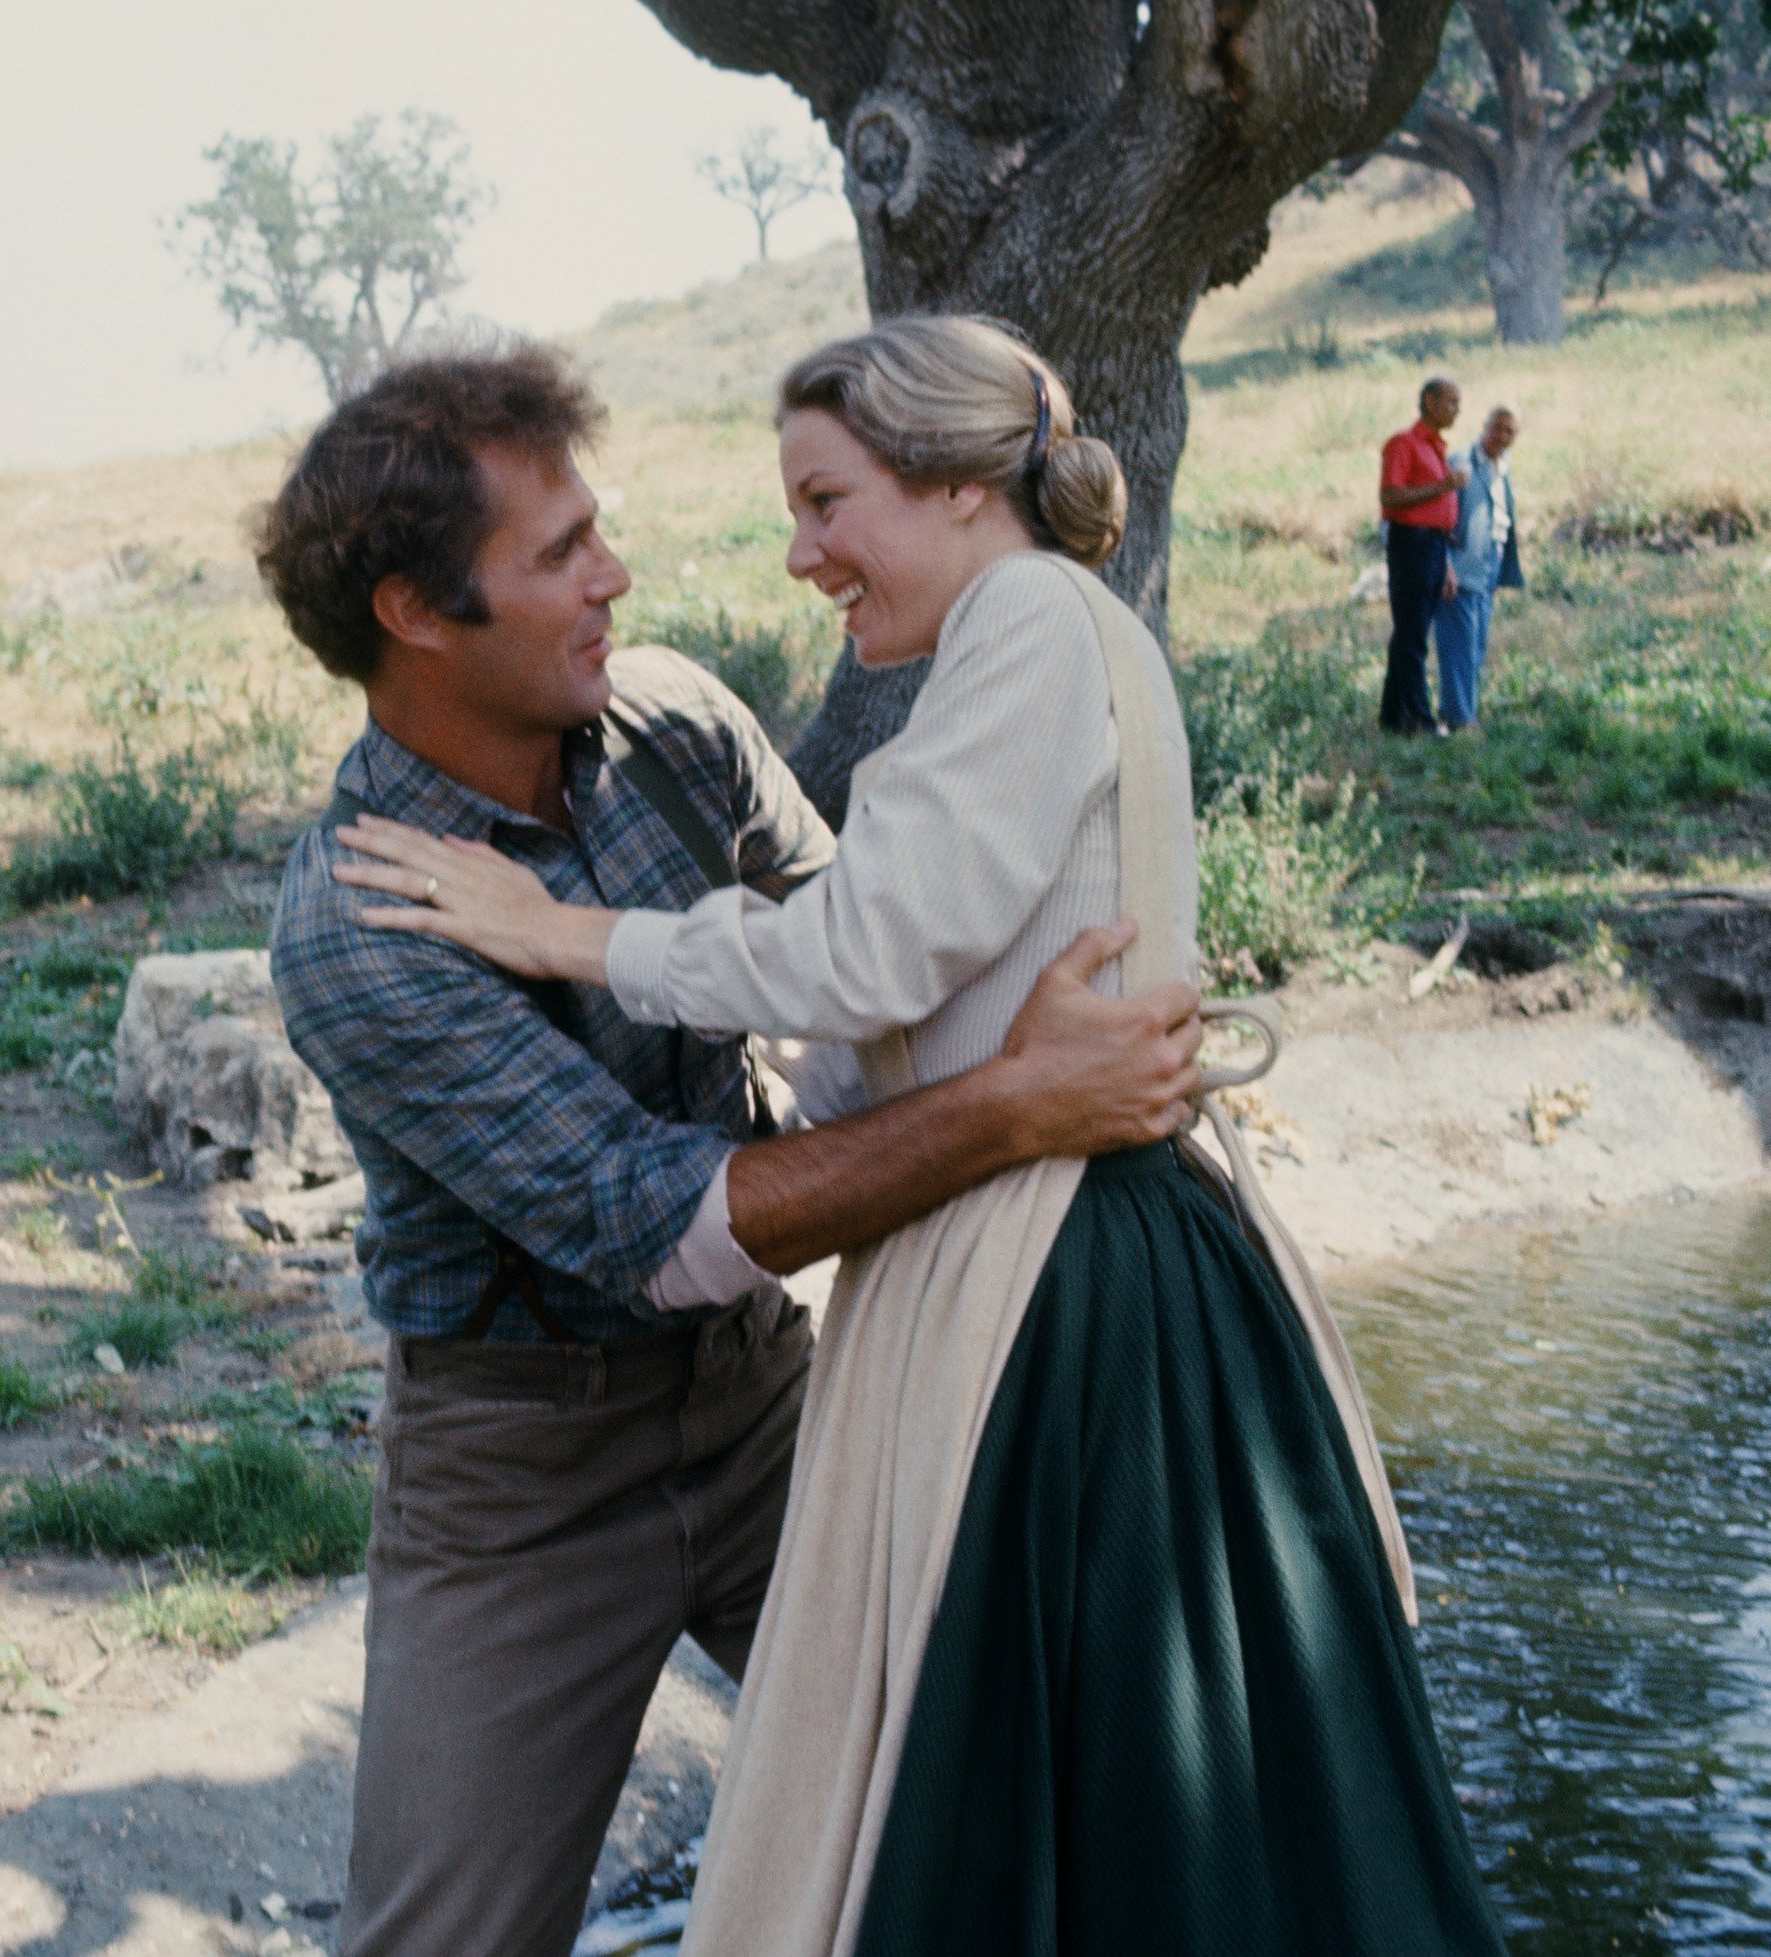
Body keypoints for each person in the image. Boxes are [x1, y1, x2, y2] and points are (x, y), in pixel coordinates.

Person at [339, 319, 1506, 1957]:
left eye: (829, 499)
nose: (801, 550)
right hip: (896, 1286)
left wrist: (568, 933)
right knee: (1082, 1782)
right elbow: (867, 1018)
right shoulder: (1037, 633)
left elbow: (860, 950)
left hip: (1044, 1265)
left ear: (961, 484)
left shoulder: (1022, 619)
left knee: (1013, 1784)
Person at [255, 343, 1211, 1957]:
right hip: (523, 1474)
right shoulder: (359, 931)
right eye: (560, 555)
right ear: (417, 615)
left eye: (596, 529)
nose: (614, 575)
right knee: (443, 1939)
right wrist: (1018, 1104)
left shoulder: (678, 721)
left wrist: (1046, 1012)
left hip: (768, 1397)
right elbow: (660, 1223)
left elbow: (858, 961)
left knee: (1036, 1775)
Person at [1378, 376, 1464, 735]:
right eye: (1450, 402)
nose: (1456, 411)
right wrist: (1444, 487)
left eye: (1458, 404)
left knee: (1410, 631)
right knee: (1413, 636)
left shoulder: (1436, 448)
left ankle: (1393, 716)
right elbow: (1391, 497)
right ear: (1429, 401)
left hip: (1435, 546)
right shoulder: (1404, 444)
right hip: (1411, 544)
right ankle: (1420, 719)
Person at [1434, 404, 1522, 733]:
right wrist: (1444, 566)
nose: (1501, 437)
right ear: (1483, 425)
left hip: (1490, 565)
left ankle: (1456, 709)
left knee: (1476, 644)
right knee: (1459, 643)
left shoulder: (1502, 468)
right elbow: (1434, 519)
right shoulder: (1460, 464)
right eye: (1496, 428)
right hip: (1460, 567)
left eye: (1509, 432)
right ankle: (1461, 722)